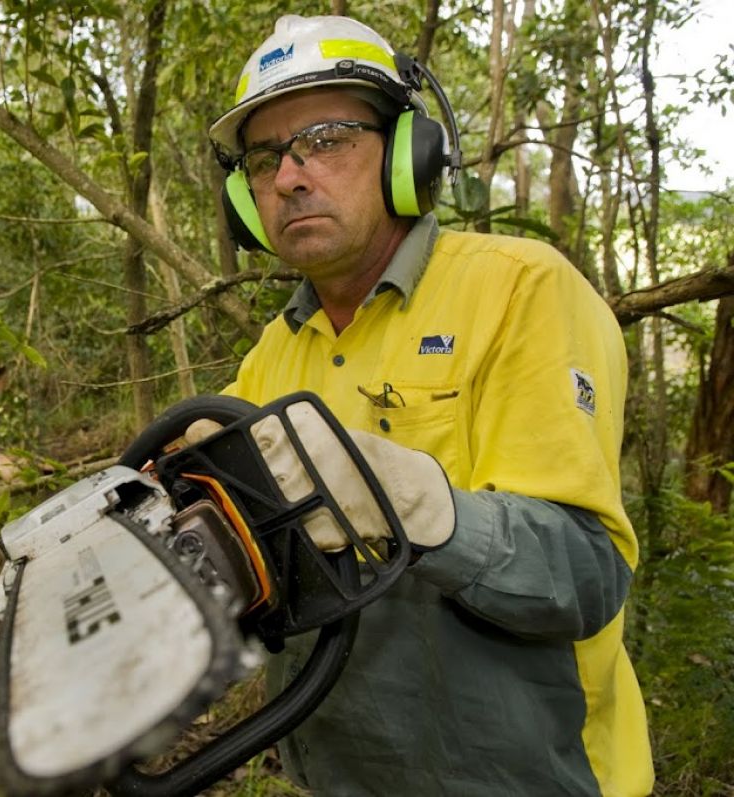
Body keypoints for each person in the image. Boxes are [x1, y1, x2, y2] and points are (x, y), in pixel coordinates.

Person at [198, 14, 653, 796]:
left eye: (328, 137)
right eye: (266, 156)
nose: (290, 176)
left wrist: (413, 502)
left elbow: (585, 573)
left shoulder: (522, 290)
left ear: (409, 153)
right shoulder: (271, 355)